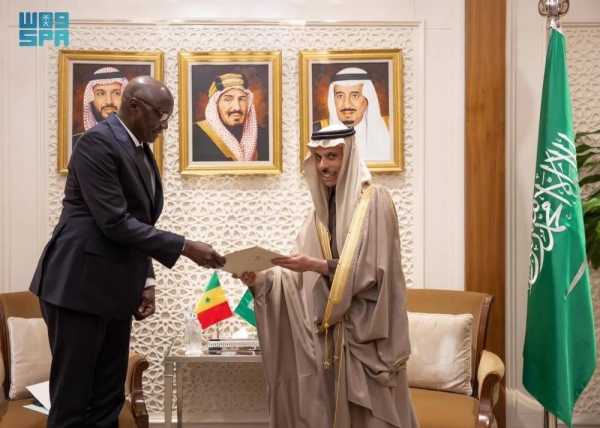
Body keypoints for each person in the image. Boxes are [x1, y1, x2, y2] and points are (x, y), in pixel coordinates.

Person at [30, 75, 226, 428]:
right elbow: (115, 223)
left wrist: (145, 279)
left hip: (116, 291)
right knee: (72, 403)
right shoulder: (96, 143)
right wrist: (184, 247)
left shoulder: (139, 148)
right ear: (133, 105)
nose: (165, 125)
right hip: (78, 288)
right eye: (160, 115)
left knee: (108, 401)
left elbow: (140, 223)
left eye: (169, 117)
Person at [235, 124, 419, 427]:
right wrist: (262, 280)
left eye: (332, 156)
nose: (324, 166)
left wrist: (318, 265)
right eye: (318, 158)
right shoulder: (317, 214)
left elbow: (375, 270)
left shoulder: (375, 201)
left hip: (367, 338)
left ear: (349, 156)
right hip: (331, 341)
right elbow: (296, 279)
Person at [313, 67, 391, 161]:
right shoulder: (317, 130)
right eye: (340, 96)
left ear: (367, 100)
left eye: (354, 95)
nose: (346, 104)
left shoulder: (390, 128)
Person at [192, 73, 269, 162]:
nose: (237, 107)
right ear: (216, 105)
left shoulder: (263, 136)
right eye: (228, 99)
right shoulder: (194, 134)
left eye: (242, 99)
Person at [72, 66, 129, 149]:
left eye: (116, 93)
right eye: (101, 94)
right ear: (91, 98)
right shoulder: (77, 142)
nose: (109, 102)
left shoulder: (137, 141)